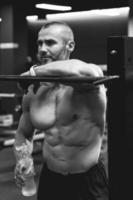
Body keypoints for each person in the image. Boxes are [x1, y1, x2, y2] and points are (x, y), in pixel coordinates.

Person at [14, 21, 108, 200]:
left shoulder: (89, 81)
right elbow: (23, 132)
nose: (42, 49)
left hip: (87, 182)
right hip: (51, 181)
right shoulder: (34, 92)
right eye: (39, 43)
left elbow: (80, 71)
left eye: (50, 43)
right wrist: (23, 158)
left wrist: (33, 73)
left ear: (70, 45)